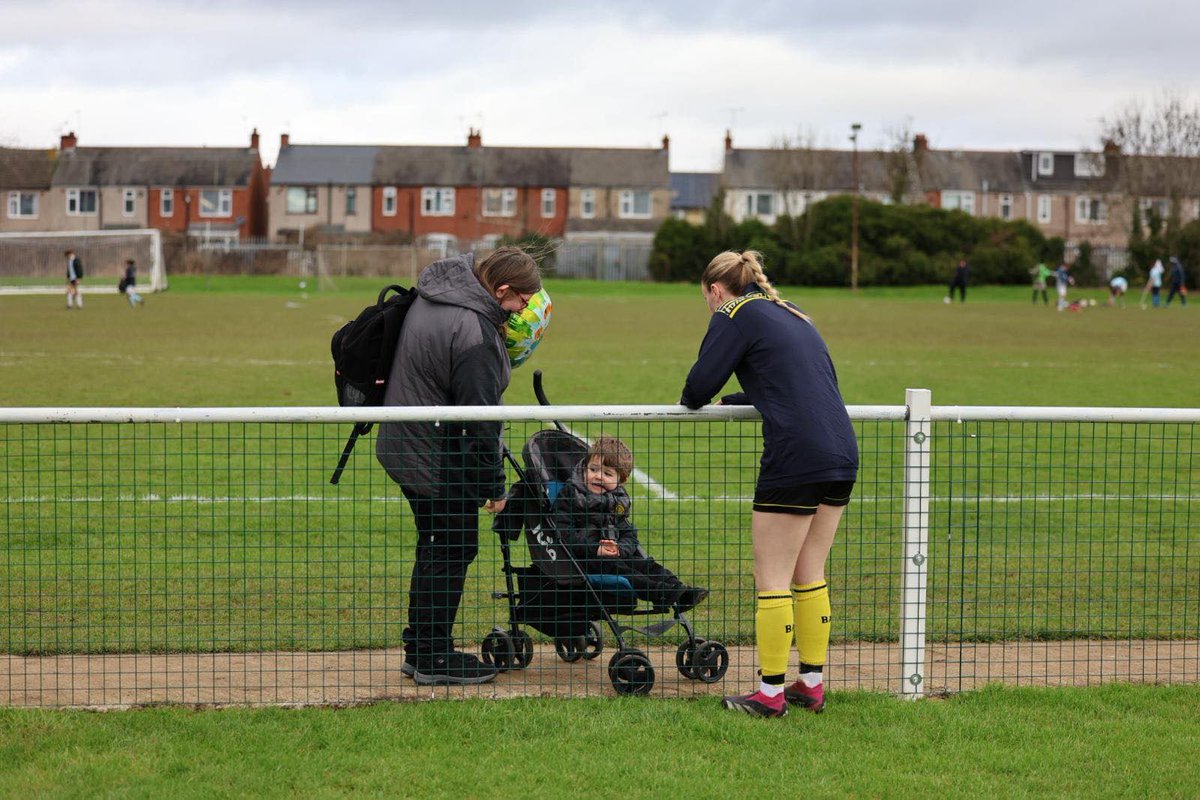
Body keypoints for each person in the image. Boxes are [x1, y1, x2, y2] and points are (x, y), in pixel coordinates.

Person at [680, 250, 858, 718]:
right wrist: (744, 395)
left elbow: (695, 390)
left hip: (796, 455)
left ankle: (770, 693)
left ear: (716, 290)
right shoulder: (790, 311)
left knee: (773, 579)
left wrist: (715, 393)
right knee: (810, 573)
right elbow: (801, 382)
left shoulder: (732, 313)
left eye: (707, 299)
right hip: (841, 450)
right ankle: (811, 685)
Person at [375, 246, 542, 686]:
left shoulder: (440, 292)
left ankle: (422, 647)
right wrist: (494, 487)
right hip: (434, 454)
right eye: (521, 302)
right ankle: (432, 656)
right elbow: (481, 420)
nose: (522, 312)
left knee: (436, 546)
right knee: (451, 548)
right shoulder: (474, 330)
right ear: (502, 289)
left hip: (409, 443)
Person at [552, 435, 708, 612]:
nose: (598, 476)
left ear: (621, 479)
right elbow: (563, 534)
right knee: (625, 571)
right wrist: (595, 548)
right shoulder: (571, 495)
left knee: (646, 564)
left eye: (607, 473)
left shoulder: (616, 501)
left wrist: (619, 548)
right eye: (593, 469)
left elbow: (629, 534)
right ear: (584, 468)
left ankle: (680, 591)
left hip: (615, 553)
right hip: (585, 558)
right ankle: (665, 593)